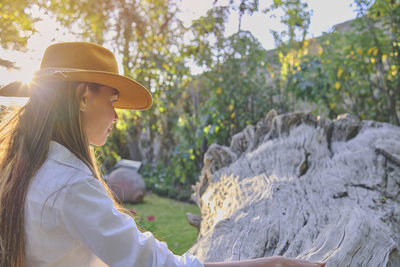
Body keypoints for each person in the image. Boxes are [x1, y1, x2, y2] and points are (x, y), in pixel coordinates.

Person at [0, 42, 325, 267]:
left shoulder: (25, 167)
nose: (116, 116)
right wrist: (276, 262)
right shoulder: (69, 184)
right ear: (84, 97)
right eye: (112, 100)